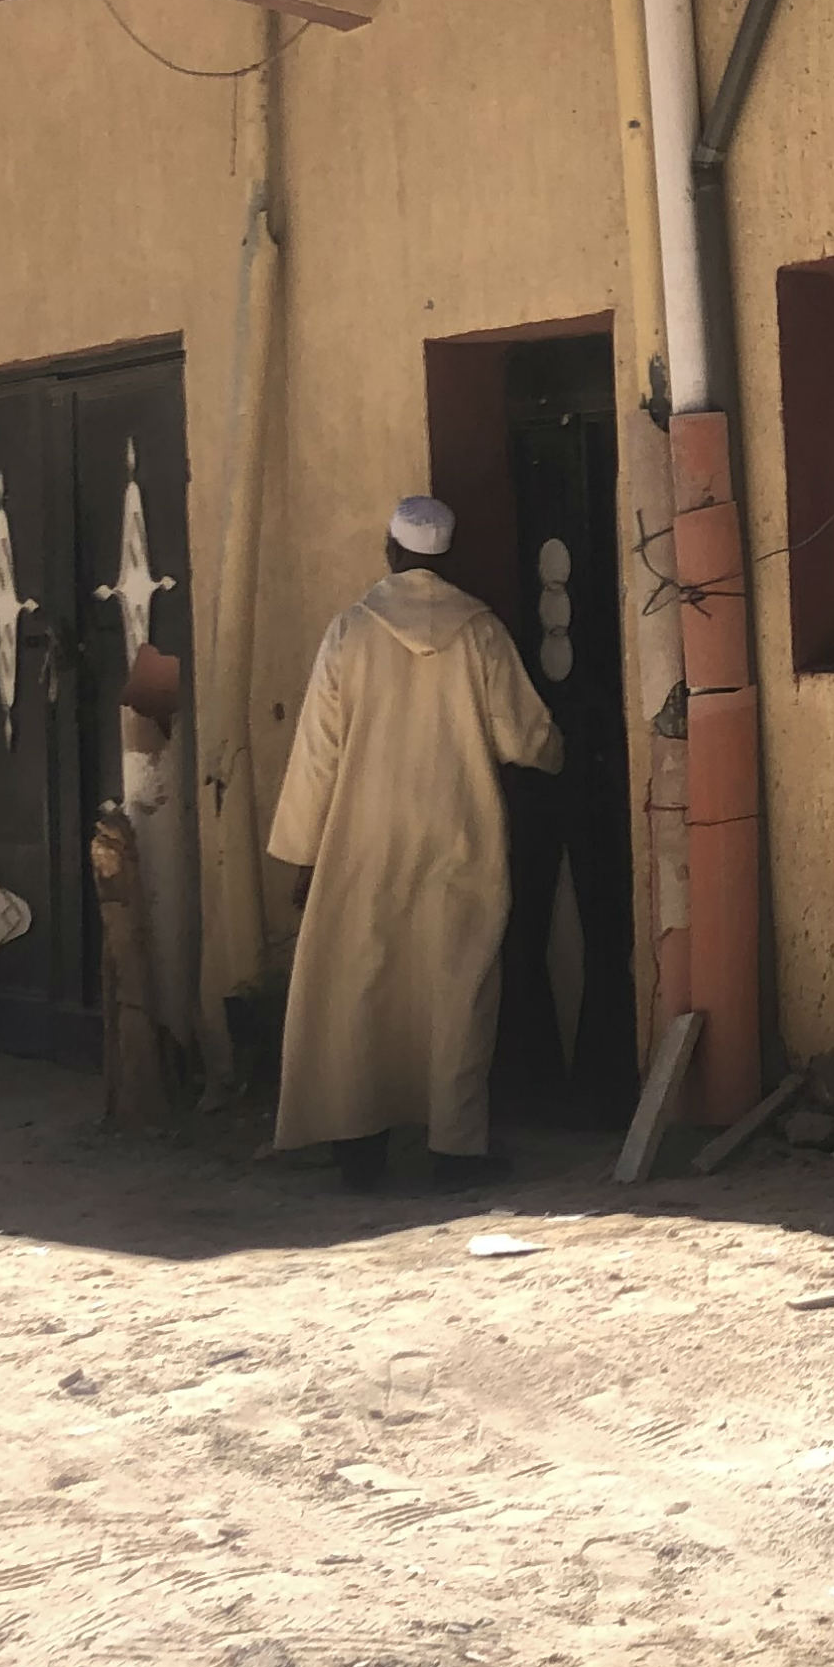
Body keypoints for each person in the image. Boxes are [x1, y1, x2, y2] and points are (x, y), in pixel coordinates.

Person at [267, 496, 565, 1189]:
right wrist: (562, 756)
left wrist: (305, 855)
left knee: (357, 986)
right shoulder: (481, 632)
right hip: (460, 828)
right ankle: (455, 1147)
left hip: (361, 838)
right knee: (458, 985)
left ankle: (358, 1144)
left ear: (390, 551)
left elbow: (319, 751)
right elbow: (526, 737)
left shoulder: (349, 632)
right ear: (445, 557)